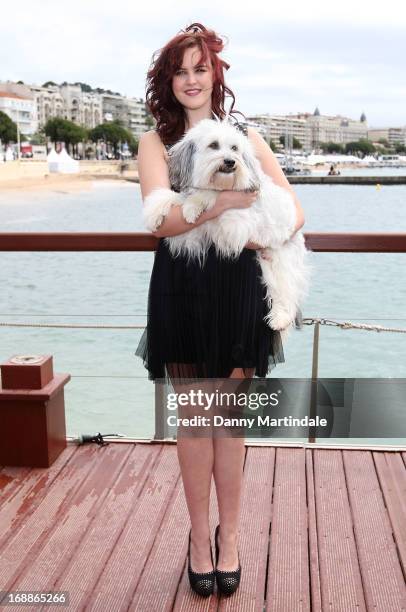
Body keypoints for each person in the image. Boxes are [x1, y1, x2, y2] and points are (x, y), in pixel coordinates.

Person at [135, 23, 305, 597]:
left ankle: (229, 538)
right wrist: (230, 198)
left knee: (228, 426)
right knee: (194, 424)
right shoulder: (155, 143)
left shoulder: (247, 135)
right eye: (179, 70)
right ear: (168, 80)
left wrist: (256, 231)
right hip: (180, 289)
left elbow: (293, 213)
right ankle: (198, 540)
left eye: (199, 68)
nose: (190, 79)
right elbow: (162, 218)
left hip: (237, 289)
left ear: (215, 74)